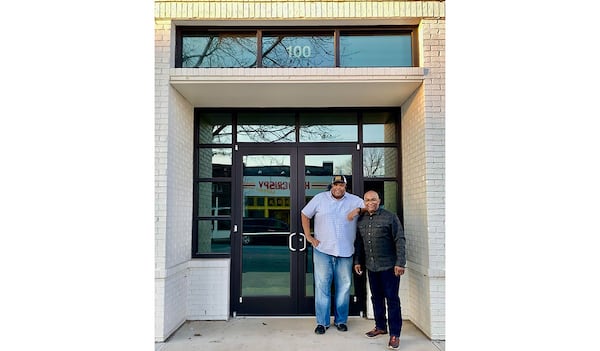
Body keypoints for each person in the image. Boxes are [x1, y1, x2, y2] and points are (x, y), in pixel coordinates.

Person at [301, 175, 365, 335]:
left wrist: (358, 210)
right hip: (323, 250)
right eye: (336, 184)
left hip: (345, 252)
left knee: (344, 288)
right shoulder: (319, 199)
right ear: (331, 185)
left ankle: (341, 321)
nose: (338, 187)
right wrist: (309, 236)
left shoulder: (354, 200)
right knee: (322, 287)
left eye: (341, 185)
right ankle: (322, 323)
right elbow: (305, 214)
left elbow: (370, 207)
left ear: (345, 186)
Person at [351, 190, 406, 350]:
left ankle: (395, 334)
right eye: (367, 200)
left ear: (379, 200)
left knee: (392, 300)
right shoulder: (361, 220)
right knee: (376, 298)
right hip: (371, 266)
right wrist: (357, 261)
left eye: (373, 199)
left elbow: (399, 240)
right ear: (364, 202)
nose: (370, 202)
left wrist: (400, 263)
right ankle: (380, 326)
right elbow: (359, 243)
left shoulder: (390, 217)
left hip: (390, 267)